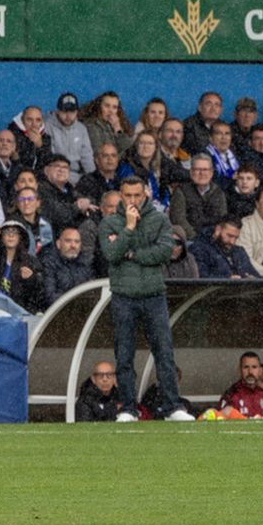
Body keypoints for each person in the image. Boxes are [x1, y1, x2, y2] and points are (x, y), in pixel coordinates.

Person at [98, 175, 193, 422]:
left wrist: (130, 252)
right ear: (120, 195)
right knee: (125, 355)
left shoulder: (160, 219)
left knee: (164, 352)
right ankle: (128, 409)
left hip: (154, 295)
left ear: (145, 195)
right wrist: (129, 228)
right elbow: (111, 254)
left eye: (136, 195)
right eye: (127, 195)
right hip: (123, 296)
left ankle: (173, 406)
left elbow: (164, 252)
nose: (132, 200)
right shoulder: (109, 223)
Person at [219, 351, 263, 418]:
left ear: (260, 370)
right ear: (239, 369)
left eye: (254, 367)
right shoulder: (231, 394)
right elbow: (220, 422)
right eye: (246, 367)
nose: (250, 371)